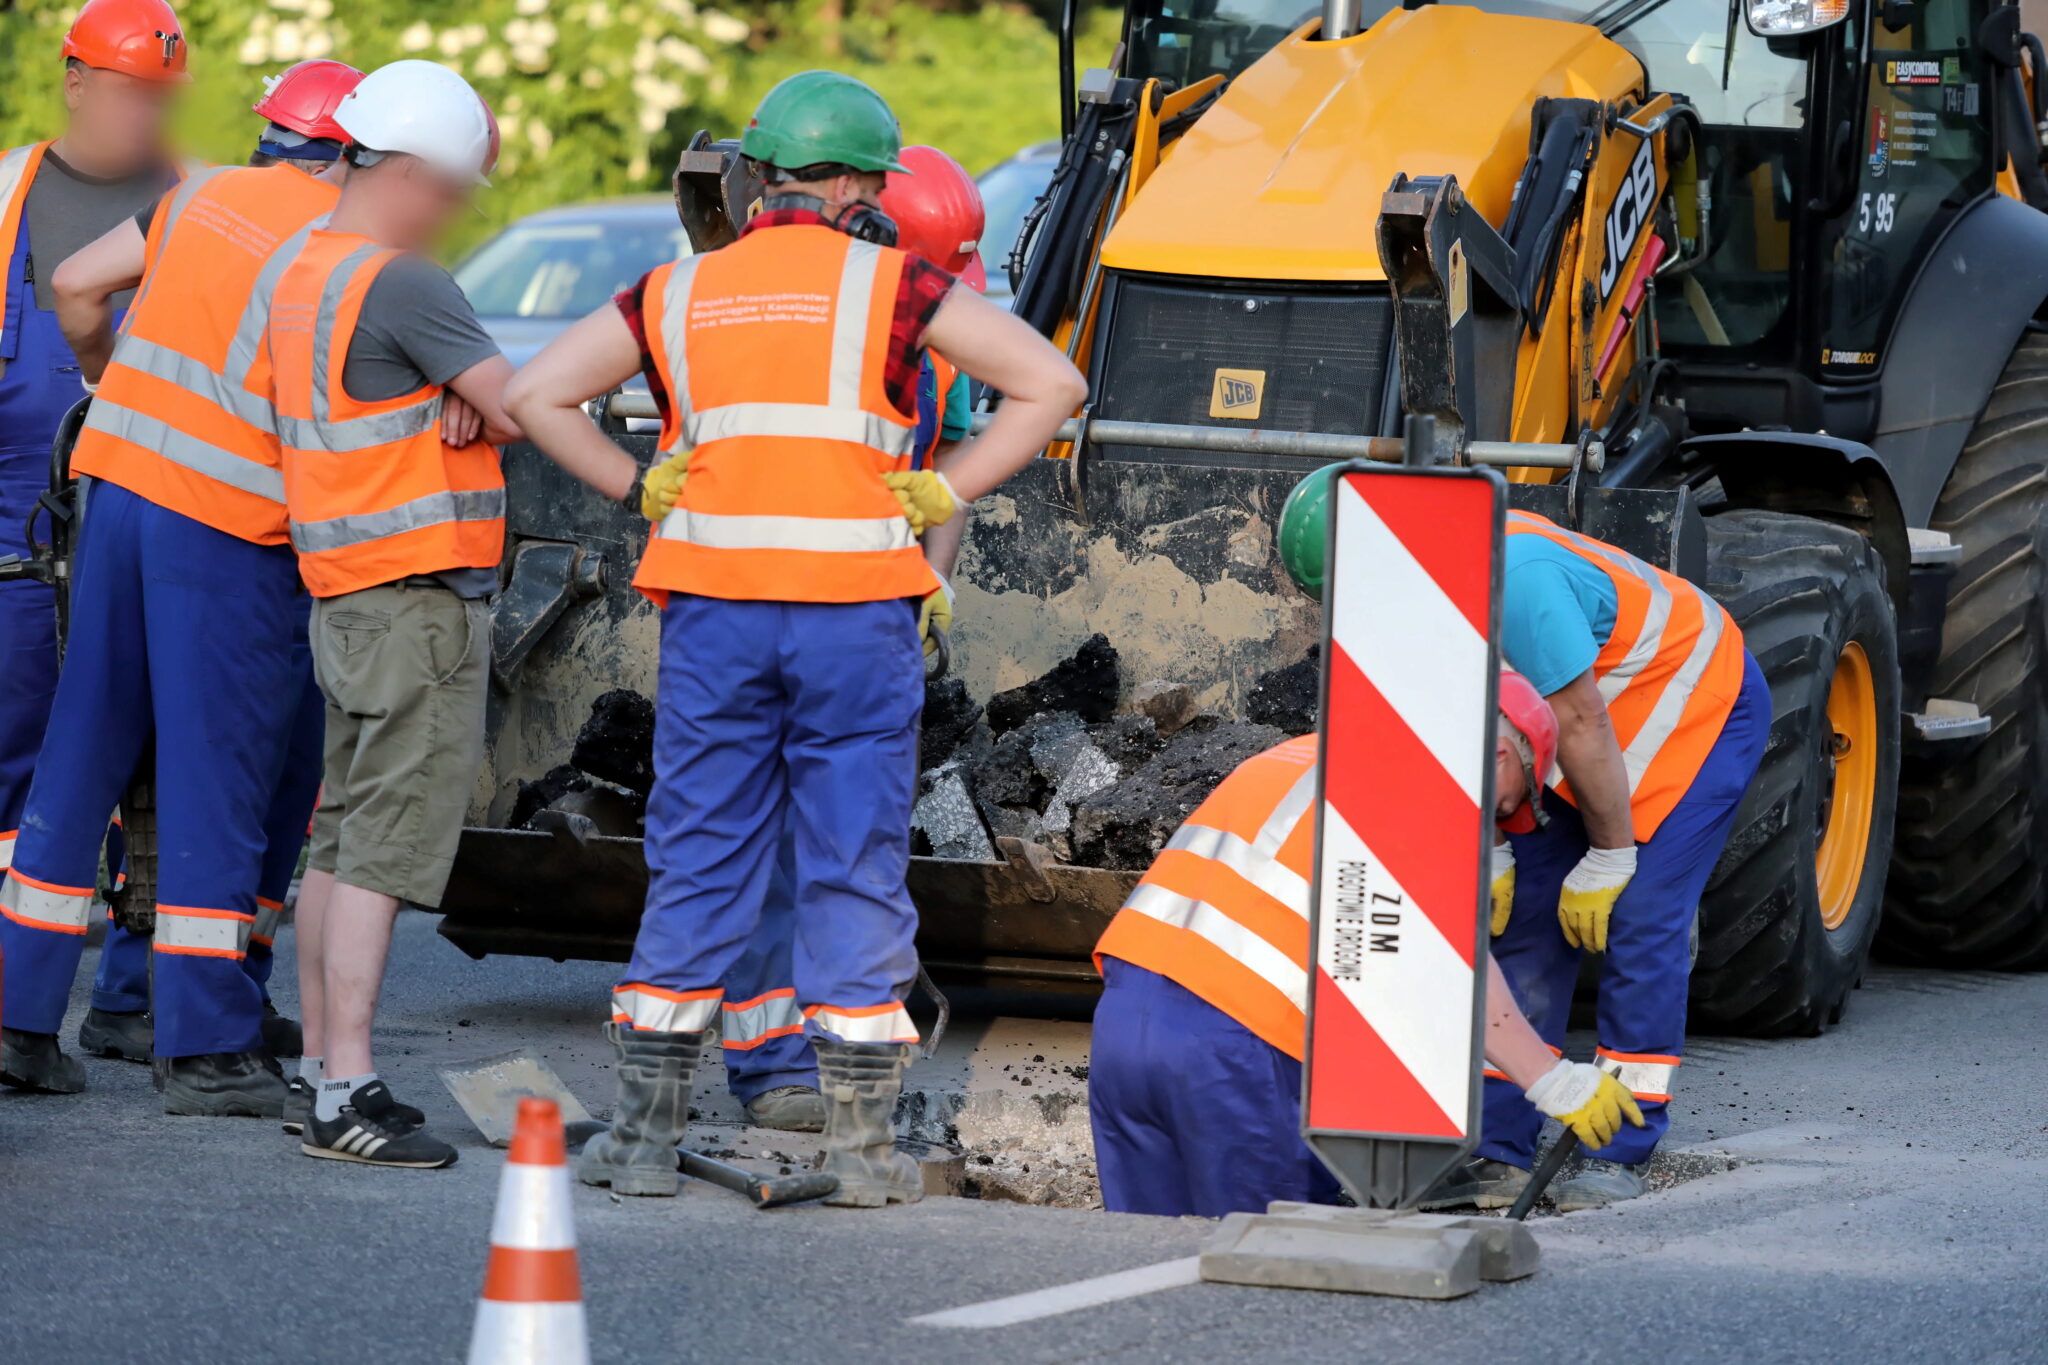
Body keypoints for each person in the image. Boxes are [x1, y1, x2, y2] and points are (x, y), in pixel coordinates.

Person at [503, 70, 1086, 1206]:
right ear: (867, 184)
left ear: (763, 178)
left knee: (700, 856)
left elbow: (534, 395)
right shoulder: (897, 288)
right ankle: (863, 1152)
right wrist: (940, 487)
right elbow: (1049, 382)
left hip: (715, 615)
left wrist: (637, 486)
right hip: (853, 616)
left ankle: (638, 1138)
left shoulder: (675, 292)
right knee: (849, 860)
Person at [1278, 473, 1769, 1209]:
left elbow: (1580, 722)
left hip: (1691, 715)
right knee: (1525, 910)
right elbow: (1473, 731)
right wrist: (1499, 845)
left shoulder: (1519, 581)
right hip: (1569, 740)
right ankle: (1498, 1143)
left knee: (1638, 913)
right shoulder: (1414, 603)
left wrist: (1610, 853)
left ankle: (1620, 1144)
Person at [40, 59, 370, 1085]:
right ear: (354, 153)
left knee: (83, 754)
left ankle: (16, 1022)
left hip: (117, 491)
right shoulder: (338, 241)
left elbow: (74, 286)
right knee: (220, 775)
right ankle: (204, 1042)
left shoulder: (200, 195)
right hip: (226, 525)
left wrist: (107, 380)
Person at [1087, 677, 1646, 1217]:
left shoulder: (1297, 756)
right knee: (1264, 1272)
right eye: (1503, 811)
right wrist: (1552, 1080)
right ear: (1501, 756)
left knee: (1147, 1266)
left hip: (1123, 1024)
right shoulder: (1424, 797)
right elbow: (1455, 975)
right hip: (1238, 1051)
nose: (1494, 828)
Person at [265, 59, 520, 1167]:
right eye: (455, 190)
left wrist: (464, 387)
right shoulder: (408, 284)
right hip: (417, 598)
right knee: (381, 847)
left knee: (336, 839)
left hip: (346, 591)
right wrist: (489, 393)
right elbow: (528, 404)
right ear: (411, 172)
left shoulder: (304, 266)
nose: (456, 212)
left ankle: (324, 1068)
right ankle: (347, 1092)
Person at [714, 142, 995, 1135]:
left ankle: (829, 1058)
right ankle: (772, 1061)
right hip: (764, 600)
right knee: (774, 838)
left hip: (850, 608)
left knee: (839, 842)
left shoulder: (923, 311)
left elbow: (951, 454)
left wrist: (929, 587)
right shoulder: (790, 304)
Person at [0, 0, 189, 1077]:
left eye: (160, 95)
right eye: (127, 90)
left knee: (149, 749)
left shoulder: (198, 194)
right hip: (16, 503)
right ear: (74, 80)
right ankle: (17, 995)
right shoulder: (8, 189)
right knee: (19, 739)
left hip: (145, 487)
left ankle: (131, 994)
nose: (144, 114)